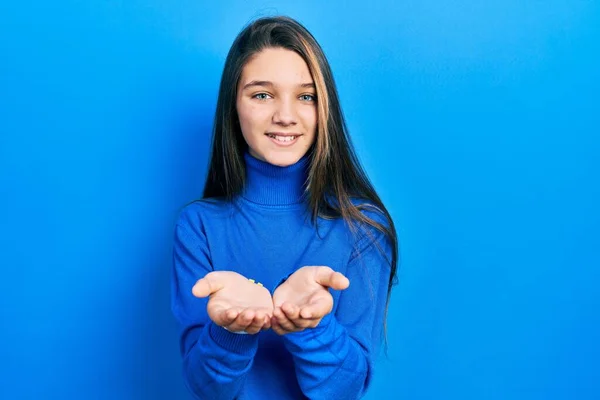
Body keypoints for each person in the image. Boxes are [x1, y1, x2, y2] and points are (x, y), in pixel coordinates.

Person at [171, 15, 398, 400]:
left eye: (306, 96)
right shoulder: (198, 226)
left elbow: (346, 390)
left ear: (324, 107)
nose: (286, 116)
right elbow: (208, 389)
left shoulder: (364, 228)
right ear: (234, 105)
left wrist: (311, 325)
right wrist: (231, 330)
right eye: (262, 94)